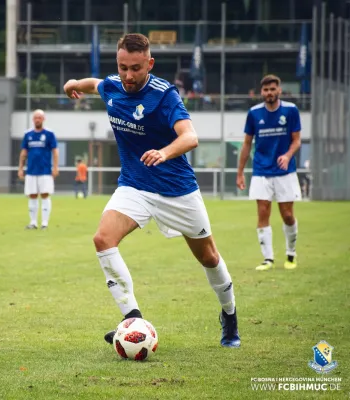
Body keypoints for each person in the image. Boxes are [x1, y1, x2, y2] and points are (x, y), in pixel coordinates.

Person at [63, 33, 240, 348]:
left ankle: (229, 315)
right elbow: (96, 84)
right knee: (103, 239)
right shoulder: (114, 85)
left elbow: (190, 137)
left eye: (136, 68)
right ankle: (131, 317)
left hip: (177, 190)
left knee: (209, 257)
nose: (128, 76)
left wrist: (164, 152)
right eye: (122, 68)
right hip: (135, 185)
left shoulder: (165, 95)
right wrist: (74, 83)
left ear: (150, 64)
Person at [236, 74, 301, 271]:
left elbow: (297, 140)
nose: (269, 93)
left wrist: (288, 155)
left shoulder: (290, 110)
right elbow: (247, 144)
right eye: (266, 90)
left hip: (285, 171)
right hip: (261, 170)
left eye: (273, 89)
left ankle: (291, 253)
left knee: (287, 215)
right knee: (263, 212)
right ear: (261, 92)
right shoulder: (254, 113)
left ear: (279, 90)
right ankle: (268, 259)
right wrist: (240, 173)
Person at [17, 109, 59, 230]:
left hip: (45, 171)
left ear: (43, 119)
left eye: (39, 117)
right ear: (33, 120)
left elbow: (55, 152)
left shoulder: (49, 134)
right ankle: (33, 222)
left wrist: (55, 167)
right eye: (35, 117)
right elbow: (23, 152)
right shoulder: (28, 134)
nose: (37, 120)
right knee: (32, 195)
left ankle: (44, 223)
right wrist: (20, 168)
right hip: (31, 171)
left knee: (45, 195)